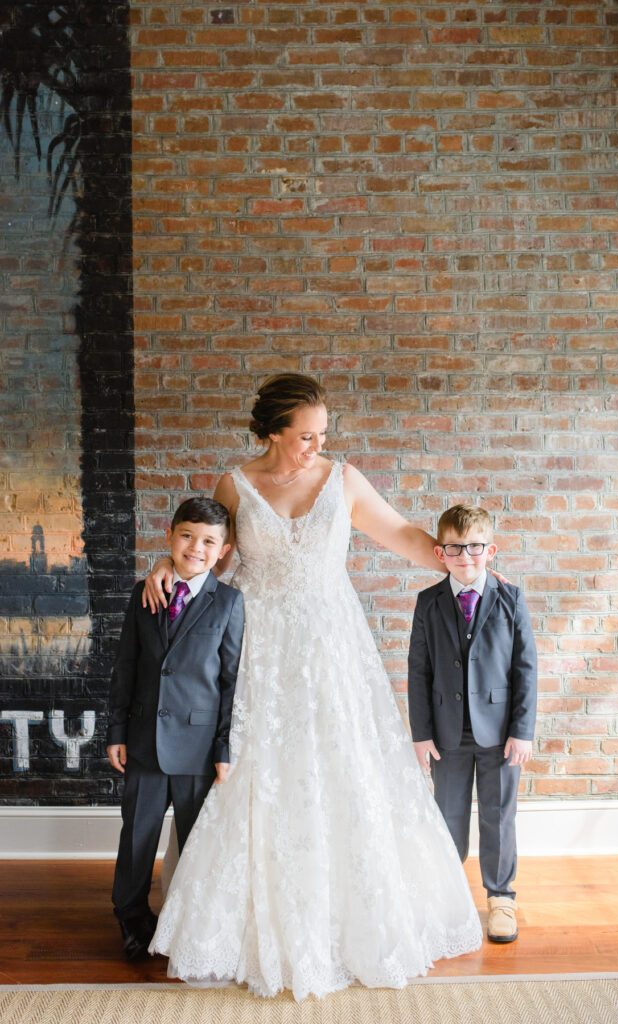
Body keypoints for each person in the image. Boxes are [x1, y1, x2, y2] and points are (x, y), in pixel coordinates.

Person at [143, 373, 483, 1000]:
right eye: (305, 436)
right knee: (255, 772)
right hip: (257, 651)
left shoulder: (344, 479)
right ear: (272, 432)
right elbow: (210, 558)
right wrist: (167, 561)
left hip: (332, 649)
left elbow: (402, 532)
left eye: (322, 434)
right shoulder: (235, 485)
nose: (315, 446)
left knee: (344, 767)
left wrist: (458, 554)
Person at [106, 497, 245, 961]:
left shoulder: (229, 603)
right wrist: (116, 730)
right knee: (137, 836)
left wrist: (224, 746)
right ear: (170, 537)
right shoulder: (144, 593)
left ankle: (193, 921)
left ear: (223, 550)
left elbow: (231, 681)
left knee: (195, 839)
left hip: (199, 747)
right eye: (186, 536)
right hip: (144, 741)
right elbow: (126, 666)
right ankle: (130, 916)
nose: (196, 547)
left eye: (209, 541)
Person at [408, 504, 537, 945]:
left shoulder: (511, 598)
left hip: (501, 733)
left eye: (475, 548)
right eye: (456, 549)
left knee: (500, 815)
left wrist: (523, 730)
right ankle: (447, 897)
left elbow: (525, 669)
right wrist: (420, 734)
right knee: (449, 815)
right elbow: (418, 671)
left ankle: (501, 897)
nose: (466, 557)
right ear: (440, 552)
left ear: (490, 549)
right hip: (447, 734)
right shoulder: (428, 603)